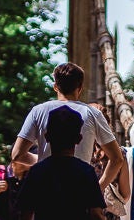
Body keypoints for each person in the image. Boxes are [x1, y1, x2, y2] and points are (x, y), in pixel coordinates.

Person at [14, 62, 125, 195]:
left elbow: (17, 155)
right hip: (80, 188)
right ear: (80, 87)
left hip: (46, 189)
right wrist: (97, 189)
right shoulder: (93, 114)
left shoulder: (38, 111)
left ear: (55, 87)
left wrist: (43, 159)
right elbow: (117, 159)